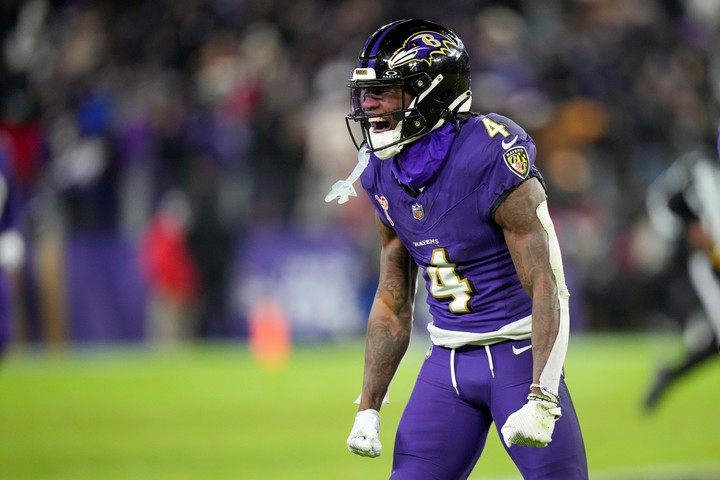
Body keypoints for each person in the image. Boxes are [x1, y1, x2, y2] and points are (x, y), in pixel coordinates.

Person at [325, 19, 587, 479]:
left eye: (385, 92)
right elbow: (392, 300)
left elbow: (548, 281)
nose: (368, 105)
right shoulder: (382, 171)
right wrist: (369, 406)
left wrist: (543, 394)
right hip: (445, 362)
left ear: (432, 93)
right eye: (366, 94)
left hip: (517, 356)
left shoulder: (489, 152)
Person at [643, 148, 720, 411]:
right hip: (712, 262)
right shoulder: (694, 165)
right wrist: (684, 229)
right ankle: (670, 374)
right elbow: (658, 199)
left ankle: (670, 374)